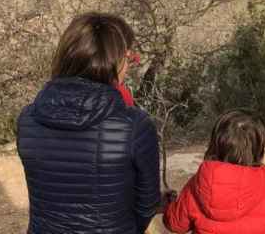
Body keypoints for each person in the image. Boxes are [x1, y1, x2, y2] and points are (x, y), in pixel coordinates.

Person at [17, 13, 165, 234]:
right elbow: (147, 202)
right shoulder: (135, 126)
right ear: (114, 60)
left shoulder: (27, 119)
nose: (128, 64)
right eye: (127, 56)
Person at [163, 111, 265, 234]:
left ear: (215, 144)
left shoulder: (196, 185)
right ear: (261, 149)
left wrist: (169, 205)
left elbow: (176, 225)